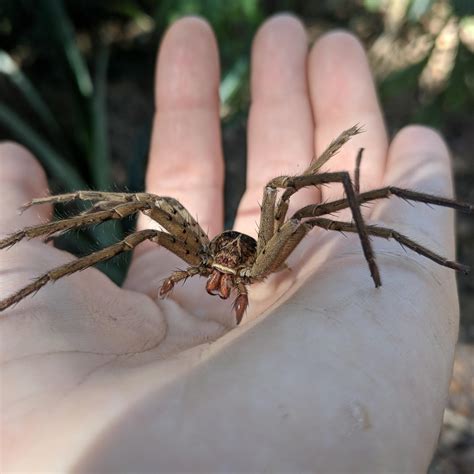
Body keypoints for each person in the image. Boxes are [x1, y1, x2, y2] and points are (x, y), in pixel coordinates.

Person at [0, 14, 459, 472]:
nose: (218, 283)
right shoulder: (198, 254)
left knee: (296, 202)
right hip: (207, 246)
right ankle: (37, 244)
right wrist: (56, 223)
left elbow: (296, 197)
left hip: (256, 251)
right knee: (149, 210)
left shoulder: (262, 257)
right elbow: (148, 212)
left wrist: (373, 225)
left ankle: (401, 229)